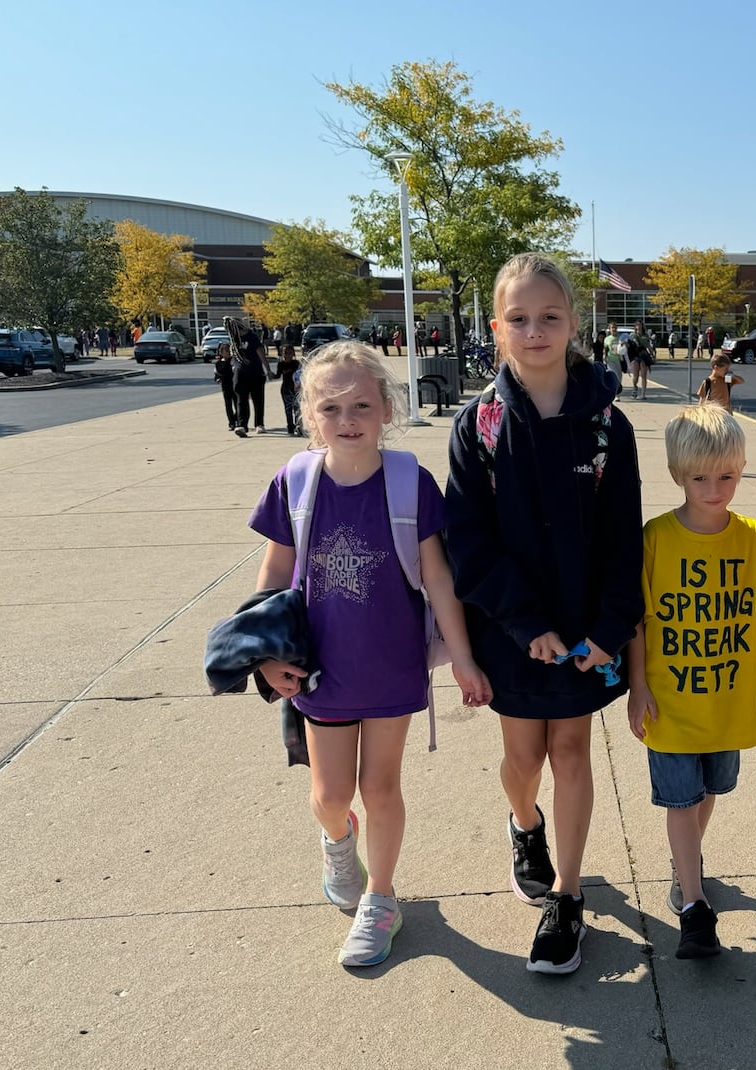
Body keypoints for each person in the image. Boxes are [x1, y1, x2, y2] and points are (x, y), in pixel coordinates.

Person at [246, 340, 492, 967]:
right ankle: (338, 842)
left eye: (361, 404)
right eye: (331, 407)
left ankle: (380, 900)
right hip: (319, 669)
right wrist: (265, 657)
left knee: (380, 786)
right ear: (310, 416)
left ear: (387, 409)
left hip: (391, 663)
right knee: (331, 795)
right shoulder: (294, 483)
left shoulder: (410, 482)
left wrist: (462, 658)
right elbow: (273, 579)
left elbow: (439, 579)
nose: (347, 418)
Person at [444, 253, 644, 976]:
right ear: (497, 328)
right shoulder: (480, 427)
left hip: (589, 633)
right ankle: (524, 824)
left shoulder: (607, 429)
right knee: (525, 760)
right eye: (519, 319)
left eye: (549, 317)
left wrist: (609, 626)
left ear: (573, 324)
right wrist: (524, 624)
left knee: (572, 752)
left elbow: (628, 540)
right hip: (511, 633)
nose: (535, 331)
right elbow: (466, 541)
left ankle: (567, 896)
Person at [626, 405, 756, 959]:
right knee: (680, 801)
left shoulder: (752, 536)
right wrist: (638, 688)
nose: (715, 489)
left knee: (708, 792)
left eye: (727, 476)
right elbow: (635, 621)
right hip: (669, 703)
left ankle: (686, 865)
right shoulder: (655, 537)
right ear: (678, 475)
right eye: (700, 478)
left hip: (728, 704)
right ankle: (694, 905)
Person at [232, 324, 269, 436]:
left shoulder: (252, 337)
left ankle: (259, 424)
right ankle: (242, 425)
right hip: (240, 372)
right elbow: (233, 354)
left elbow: (260, 352)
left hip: (255, 371)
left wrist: (267, 369)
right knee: (241, 399)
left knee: (257, 399)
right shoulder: (234, 339)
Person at [212, 341, 237, 432]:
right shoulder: (219, 363)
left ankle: (236, 419)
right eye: (226, 351)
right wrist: (218, 379)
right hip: (225, 387)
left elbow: (235, 371)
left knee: (237, 404)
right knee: (228, 405)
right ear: (221, 352)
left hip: (235, 385)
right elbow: (217, 374)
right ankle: (231, 422)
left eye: (229, 350)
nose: (228, 352)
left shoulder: (233, 361)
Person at [278, 345, 303, 435]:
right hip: (285, 389)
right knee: (288, 409)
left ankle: (298, 426)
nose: (287, 355)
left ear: (293, 354)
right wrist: (269, 374)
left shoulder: (296, 364)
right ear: (282, 354)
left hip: (295, 389)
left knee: (297, 409)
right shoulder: (281, 364)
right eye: (285, 353)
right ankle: (290, 427)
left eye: (289, 353)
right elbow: (277, 375)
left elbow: (300, 375)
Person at [628, 320, 655, 399]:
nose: (639, 327)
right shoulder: (632, 335)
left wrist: (652, 354)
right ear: (635, 326)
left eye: (640, 325)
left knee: (643, 375)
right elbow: (631, 345)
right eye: (637, 325)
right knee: (635, 376)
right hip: (635, 356)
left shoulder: (645, 335)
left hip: (643, 355)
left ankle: (643, 393)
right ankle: (634, 387)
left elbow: (648, 346)